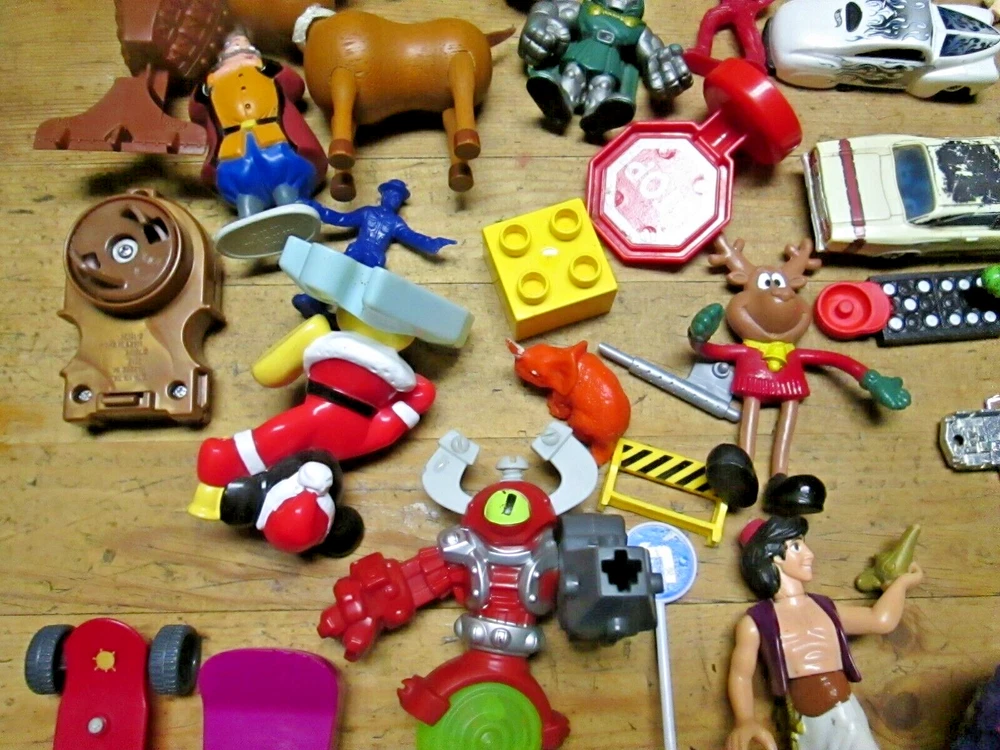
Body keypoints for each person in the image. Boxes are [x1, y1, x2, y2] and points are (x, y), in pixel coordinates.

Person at [726, 517, 923, 750]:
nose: (809, 554)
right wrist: (744, 720)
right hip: (809, 723)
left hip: (846, 714)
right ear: (774, 556)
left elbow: (880, 620)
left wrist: (901, 584)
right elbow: (741, 675)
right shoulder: (755, 622)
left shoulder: (824, 608)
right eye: (796, 546)